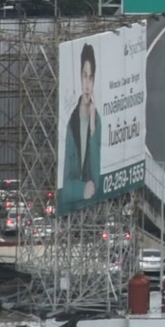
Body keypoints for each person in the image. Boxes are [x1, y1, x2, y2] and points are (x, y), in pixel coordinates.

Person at [62, 43, 102, 208]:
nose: (87, 84)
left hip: (91, 205)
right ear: (79, 77)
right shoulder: (70, 124)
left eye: (91, 77)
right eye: (84, 76)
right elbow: (65, 186)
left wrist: (93, 132)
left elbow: (97, 181)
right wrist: (82, 189)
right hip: (71, 206)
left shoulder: (97, 121)